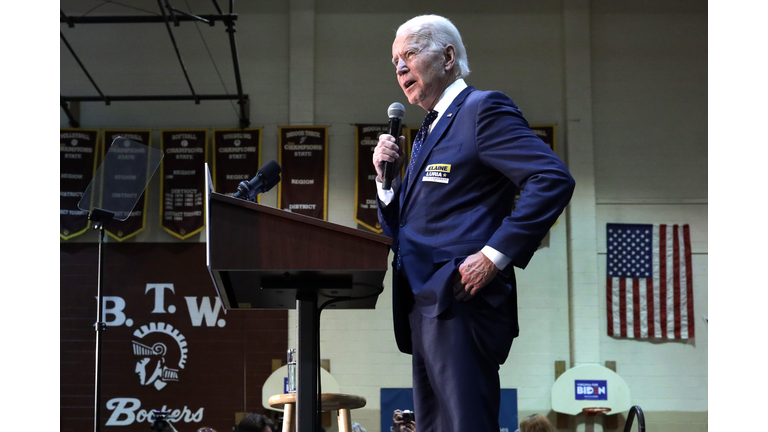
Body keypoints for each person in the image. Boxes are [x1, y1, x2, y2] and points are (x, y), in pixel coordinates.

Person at [372, 15, 575, 432]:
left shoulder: (482, 109)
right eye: (395, 61)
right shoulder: (426, 134)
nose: (399, 68)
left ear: (448, 56)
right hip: (423, 303)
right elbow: (403, 229)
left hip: (461, 296)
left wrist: (492, 257)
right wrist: (384, 182)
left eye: (409, 54)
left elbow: (551, 179)